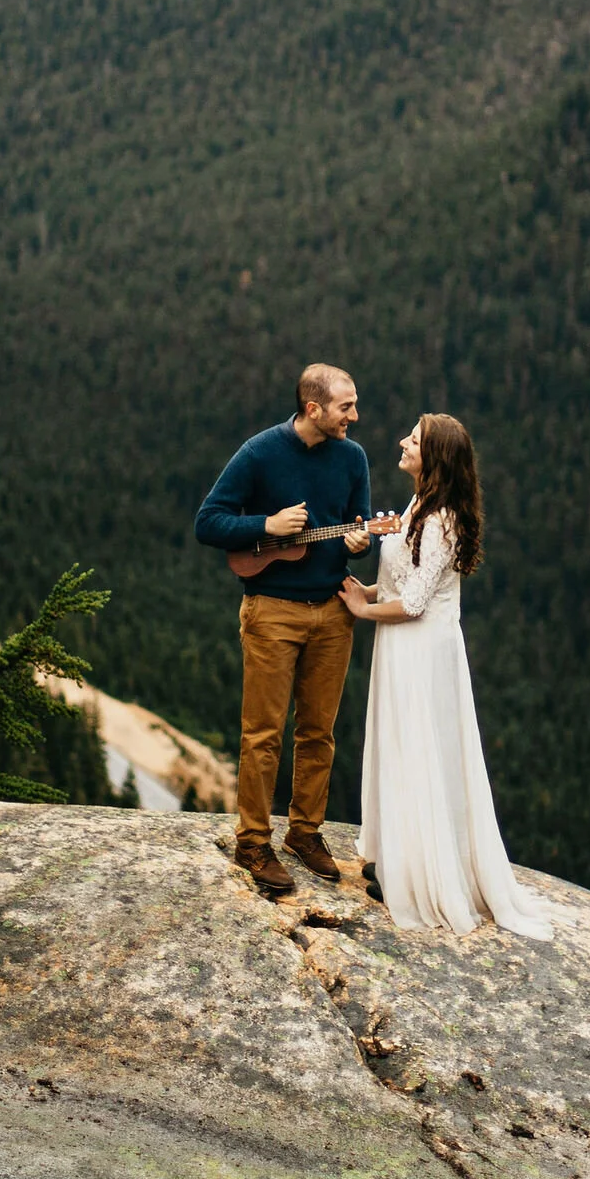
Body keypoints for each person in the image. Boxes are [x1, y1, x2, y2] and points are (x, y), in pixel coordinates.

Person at [342, 414, 555, 942]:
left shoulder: (441, 520)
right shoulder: (420, 505)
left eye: (412, 439)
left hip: (421, 652)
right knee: (401, 747)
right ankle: (400, 859)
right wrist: (363, 589)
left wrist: (362, 611)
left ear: (433, 457)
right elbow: (400, 582)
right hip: (403, 645)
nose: (401, 441)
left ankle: (418, 877)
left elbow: (414, 603)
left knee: (419, 752)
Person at [195, 363, 374, 903]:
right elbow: (209, 522)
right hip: (271, 611)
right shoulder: (259, 452)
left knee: (319, 732)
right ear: (313, 408)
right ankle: (252, 842)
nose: (355, 416)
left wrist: (361, 541)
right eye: (346, 406)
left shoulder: (354, 457)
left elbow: (359, 521)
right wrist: (265, 526)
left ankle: (304, 832)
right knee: (262, 734)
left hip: (333, 611)